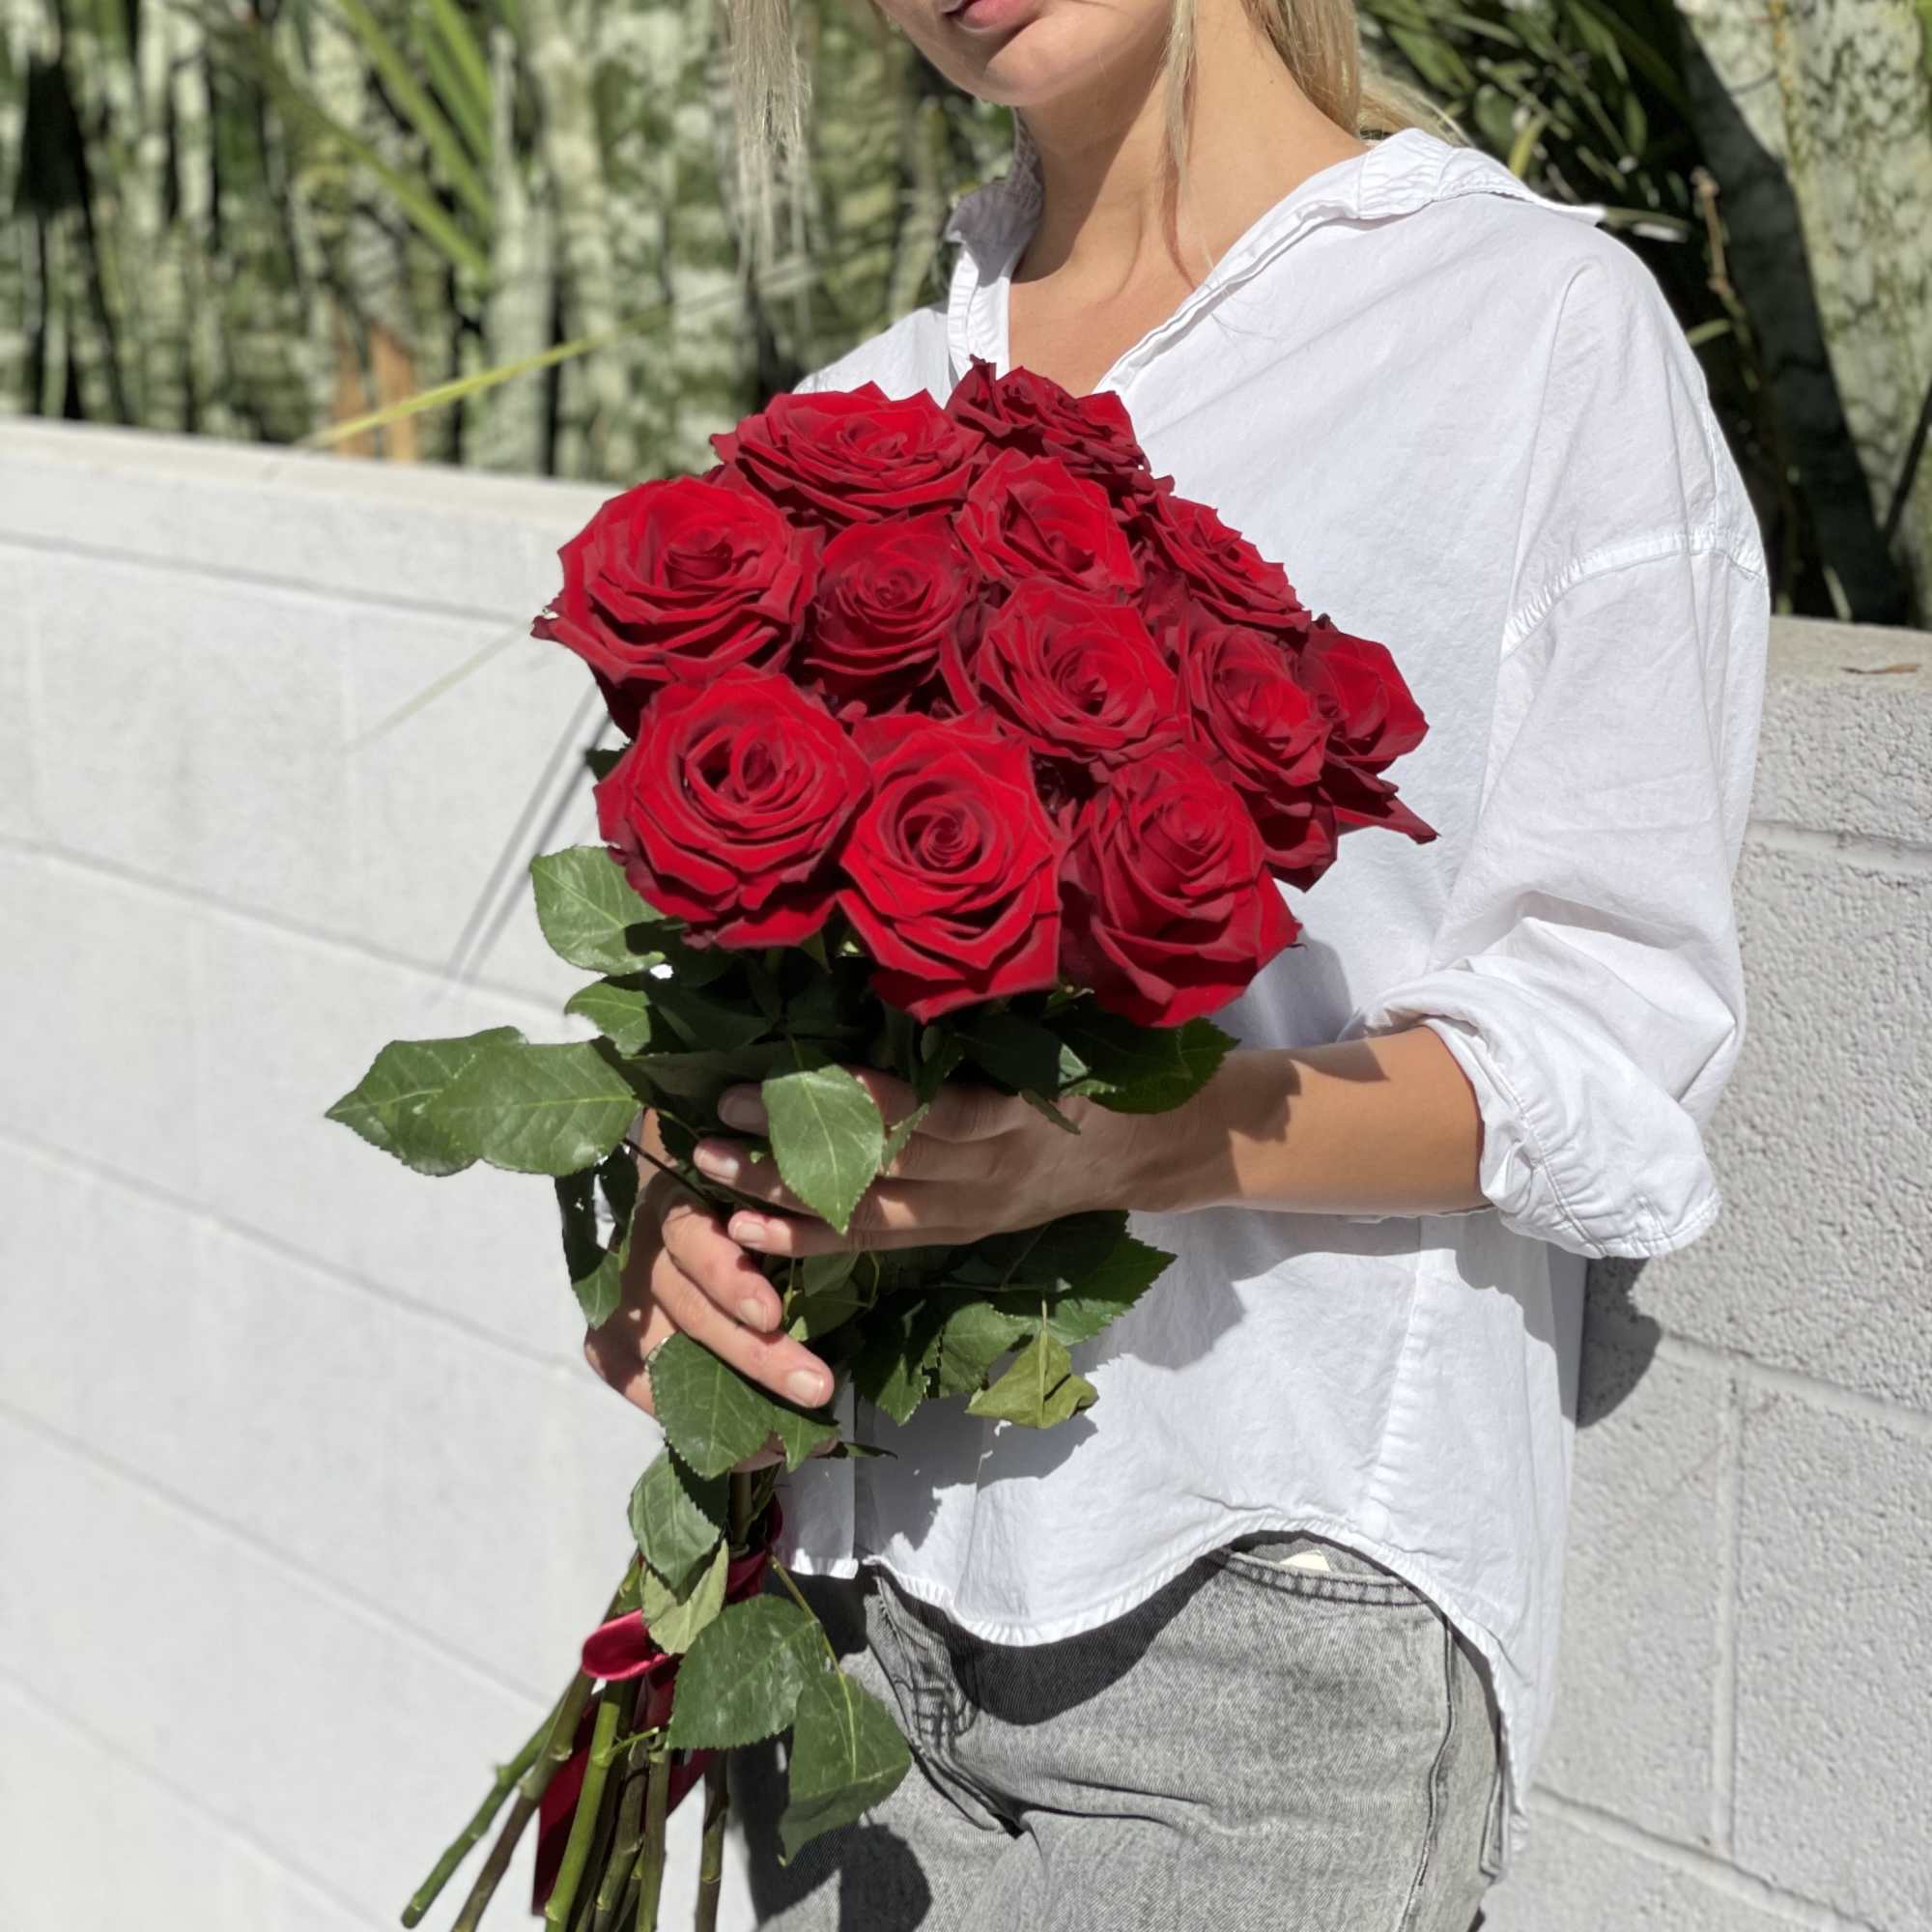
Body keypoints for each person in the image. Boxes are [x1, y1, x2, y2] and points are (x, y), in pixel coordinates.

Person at [584, 0, 1771, 1923]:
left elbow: (1612, 1056)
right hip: (839, 1622)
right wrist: (679, 1206)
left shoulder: (1526, 328)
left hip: (1252, 1618)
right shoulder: (869, 407)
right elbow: (723, 998)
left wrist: (1139, 1138)